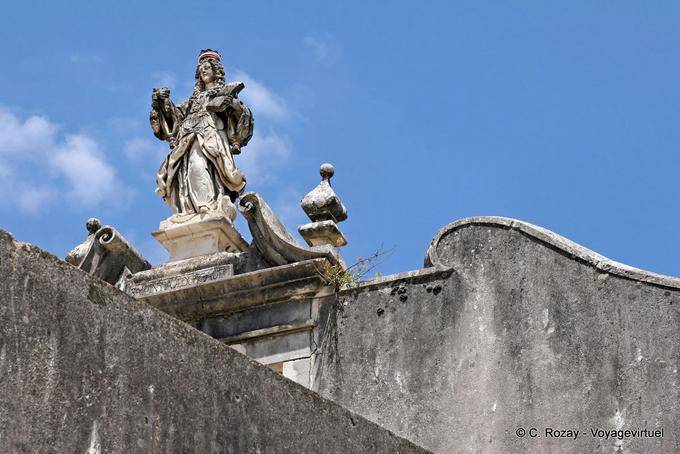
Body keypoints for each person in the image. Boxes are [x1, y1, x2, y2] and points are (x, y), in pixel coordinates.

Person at [149, 49, 253, 221]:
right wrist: (161, 102)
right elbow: (173, 117)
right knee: (187, 171)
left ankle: (207, 205)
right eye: (201, 69)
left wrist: (232, 104)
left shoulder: (223, 94)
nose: (203, 70)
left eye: (207, 67)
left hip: (210, 136)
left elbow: (242, 118)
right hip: (187, 138)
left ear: (216, 70)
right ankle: (190, 208)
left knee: (198, 165)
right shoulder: (192, 101)